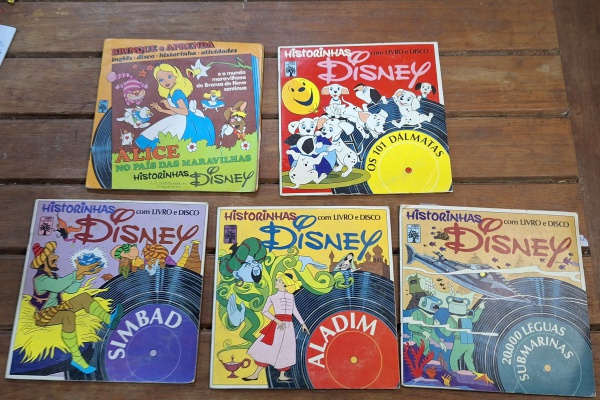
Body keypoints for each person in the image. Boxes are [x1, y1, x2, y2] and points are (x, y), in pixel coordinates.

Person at [29, 241, 123, 374]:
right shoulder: (40, 280)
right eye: (52, 255)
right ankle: (77, 358)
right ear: (44, 260)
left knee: (84, 298)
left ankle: (108, 319)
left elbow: (71, 289)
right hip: (44, 316)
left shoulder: (53, 276)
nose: (56, 257)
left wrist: (81, 274)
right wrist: (79, 271)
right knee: (68, 316)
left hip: (57, 308)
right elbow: (59, 286)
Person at [242, 272, 309, 382]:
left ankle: (282, 376)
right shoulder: (272, 297)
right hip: (277, 327)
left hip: (289, 327)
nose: (276, 282)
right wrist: (277, 320)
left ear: (283, 283)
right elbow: (264, 311)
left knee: (286, 349)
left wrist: (303, 324)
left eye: (278, 281)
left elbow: (294, 311)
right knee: (268, 349)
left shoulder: (291, 296)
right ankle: (255, 374)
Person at [135, 63, 215, 150]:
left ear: (176, 76)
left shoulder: (177, 93)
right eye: (161, 80)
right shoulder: (171, 93)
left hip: (184, 121)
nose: (166, 81)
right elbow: (176, 112)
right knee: (160, 133)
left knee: (169, 137)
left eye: (169, 76)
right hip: (178, 117)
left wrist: (168, 106)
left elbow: (184, 112)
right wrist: (161, 110)